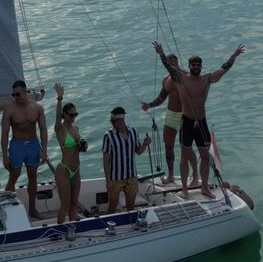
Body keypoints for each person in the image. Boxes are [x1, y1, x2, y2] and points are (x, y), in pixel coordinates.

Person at [155, 39, 245, 199]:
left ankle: (204, 187)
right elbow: (169, 67)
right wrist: (162, 53)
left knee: (205, 156)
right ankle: (184, 189)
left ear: (201, 67)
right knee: (184, 155)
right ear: (189, 66)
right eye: (193, 65)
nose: (196, 67)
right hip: (187, 121)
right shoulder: (181, 79)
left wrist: (234, 55)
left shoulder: (206, 79)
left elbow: (224, 68)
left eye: (198, 65)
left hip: (201, 122)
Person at [140, 49, 191, 191]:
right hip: (170, 114)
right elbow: (162, 98)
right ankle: (170, 175)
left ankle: (192, 174)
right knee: (168, 145)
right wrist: (149, 105)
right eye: (169, 63)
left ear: (177, 63)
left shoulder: (185, 76)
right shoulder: (166, 80)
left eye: (174, 63)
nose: (172, 65)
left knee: (185, 147)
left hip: (184, 114)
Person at [0, 78, 46, 219]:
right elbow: (4, 134)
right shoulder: (9, 110)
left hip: (33, 144)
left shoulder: (37, 108)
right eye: (13, 95)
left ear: (25, 92)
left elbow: (43, 129)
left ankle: (32, 209)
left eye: (18, 94)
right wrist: (5, 156)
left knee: (33, 176)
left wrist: (44, 150)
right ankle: (9, 210)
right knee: (14, 175)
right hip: (17, 144)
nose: (15, 97)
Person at [101, 106, 150, 211]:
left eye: (114, 121)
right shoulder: (108, 136)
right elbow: (105, 160)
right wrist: (108, 180)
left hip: (131, 176)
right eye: (111, 121)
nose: (112, 123)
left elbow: (138, 151)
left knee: (131, 206)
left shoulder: (133, 131)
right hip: (115, 178)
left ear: (121, 120)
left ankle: (131, 224)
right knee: (112, 206)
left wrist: (145, 144)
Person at [51, 84, 86, 226]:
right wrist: (59, 98)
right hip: (64, 170)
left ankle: (72, 228)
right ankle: (60, 229)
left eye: (75, 114)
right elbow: (56, 117)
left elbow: (78, 148)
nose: (74, 117)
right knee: (65, 205)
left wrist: (83, 146)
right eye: (71, 115)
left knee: (74, 204)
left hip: (76, 169)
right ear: (64, 115)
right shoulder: (60, 128)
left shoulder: (75, 128)